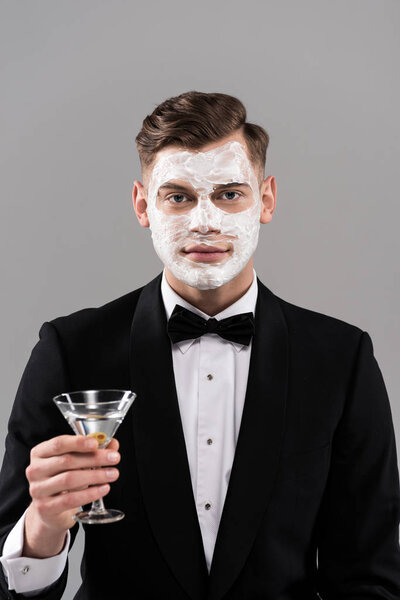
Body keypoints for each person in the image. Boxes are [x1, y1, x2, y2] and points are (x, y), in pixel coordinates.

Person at [0, 90, 399, 600]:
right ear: (144, 206)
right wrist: (42, 527)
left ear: (267, 199)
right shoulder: (70, 350)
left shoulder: (342, 359)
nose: (204, 221)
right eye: (179, 196)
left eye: (230, 193)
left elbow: (370, 575)